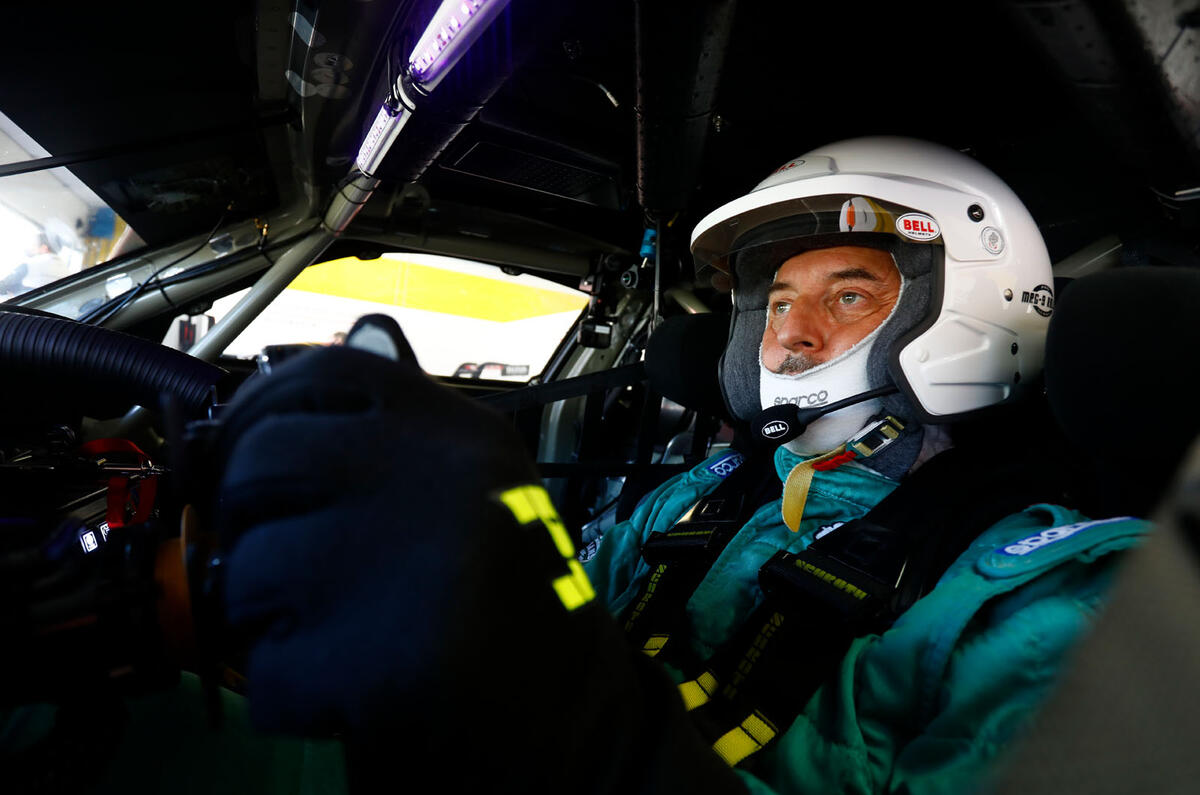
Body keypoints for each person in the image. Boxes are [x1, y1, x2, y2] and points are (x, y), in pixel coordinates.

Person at [208, 138, 1153, 794]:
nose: (792, 336)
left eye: (851, 293)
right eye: (775, 303)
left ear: (970, 312)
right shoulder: (705, 492)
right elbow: (557, 606)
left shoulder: (1058, 599)